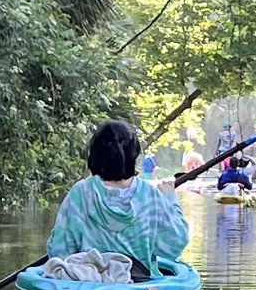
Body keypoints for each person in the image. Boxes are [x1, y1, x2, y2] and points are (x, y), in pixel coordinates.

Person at [44, 120, 191, 281]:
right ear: (133, 154)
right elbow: (174, 245)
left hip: (88, 282)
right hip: (135, 283)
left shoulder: (80, 192)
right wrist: (170, 198)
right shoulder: (150, 195)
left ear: (95, 153)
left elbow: (59, 251)